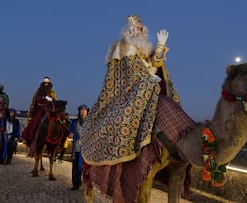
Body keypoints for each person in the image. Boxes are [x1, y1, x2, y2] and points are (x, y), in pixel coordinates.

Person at [82, 14, 181, 166]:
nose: (141, 30)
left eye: (142, 28)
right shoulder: (122, 45)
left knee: (170, 91)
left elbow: (155, 63)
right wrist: (148, 74)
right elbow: (129, 69)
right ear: (130, 29)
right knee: (147, 87)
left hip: (147, 77)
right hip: (129, 85)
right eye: (138, 27)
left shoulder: (145, 47)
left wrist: (161, 45)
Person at [22, 76, 57, 156]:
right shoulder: (38, 91)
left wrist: (51, 99)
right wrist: (43, 98)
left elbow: (55, 102)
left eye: (47, 82)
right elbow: (36, 99)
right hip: (39, 108)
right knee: (35, 121)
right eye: (45, 82)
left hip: (48, 109)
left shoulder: (52, 93)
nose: (46, 83)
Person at [69, 104, 89, 190]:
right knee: (75, 168)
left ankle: (85, 185)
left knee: (83, 168)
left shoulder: (90, 123)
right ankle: (75, 185)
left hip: (86, 149)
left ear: (87, 112)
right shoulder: (75, 122)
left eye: (85, 110)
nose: (83, 111)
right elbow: (70, 133)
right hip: (76, 148)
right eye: (81, 110)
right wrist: (70, 134)